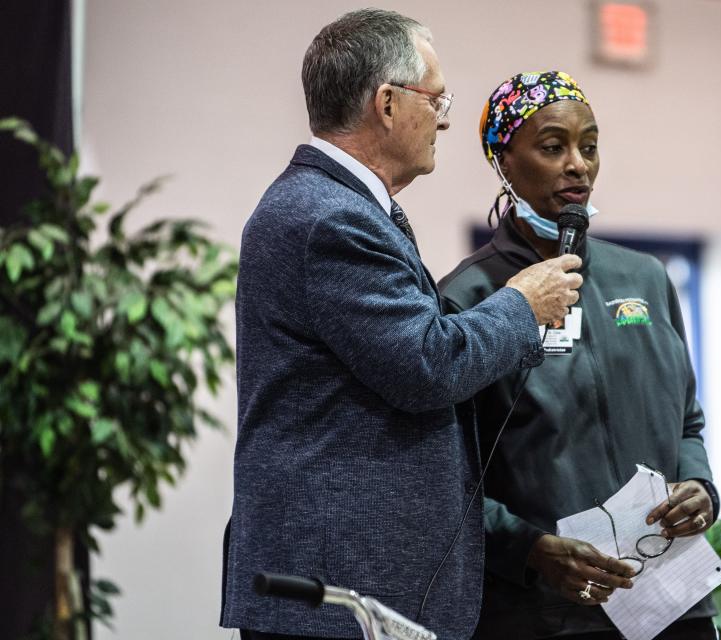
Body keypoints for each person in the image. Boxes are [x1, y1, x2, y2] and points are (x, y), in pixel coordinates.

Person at [219, 15, 583, 640]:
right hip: (341, 587)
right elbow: (426, 365)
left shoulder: (341, 206)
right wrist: (523, 302)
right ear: (387, 103)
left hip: (356, 579)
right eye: (437, 98)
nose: (444, 119)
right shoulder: (326, 217)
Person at [439, 71, 721, 640]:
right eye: (553, 146)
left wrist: (701, 488)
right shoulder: (468, 299)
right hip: (546, 615)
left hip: (674, 605)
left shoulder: (644, 278)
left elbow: (687, 423)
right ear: (503, 160)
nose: (578, 165)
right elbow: (446, 478)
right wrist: (530, 549)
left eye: (589, 146)